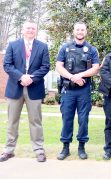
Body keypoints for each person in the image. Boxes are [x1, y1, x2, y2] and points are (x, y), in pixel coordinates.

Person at [0, 21, 50, 162]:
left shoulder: (43, 47)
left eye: (33, 28)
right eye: (28, 28)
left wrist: (31, 78)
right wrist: (21, 77)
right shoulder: (13, 45)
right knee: (12, 121)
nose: (30, 30)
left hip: (34, 88)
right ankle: (8, 150)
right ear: (23, 30)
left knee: (35, 121)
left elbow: (45, 66)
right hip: (15, 88)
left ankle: (39, 150)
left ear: (36, 31)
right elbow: (7, 65)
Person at [56, 22, 100, 160]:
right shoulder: (65, 48)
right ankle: (65, 148)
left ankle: (81, 147)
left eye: (82, 29)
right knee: (67, 118)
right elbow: (58, 66)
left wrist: (80, 76)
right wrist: (72, 78)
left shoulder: (92, 49)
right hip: (68, 90)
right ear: (74, 31)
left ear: (86, 32)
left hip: (84, 90)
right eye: (78, 29)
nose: (80, 32)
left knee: (83, 119)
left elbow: (95, 68)